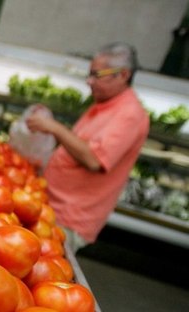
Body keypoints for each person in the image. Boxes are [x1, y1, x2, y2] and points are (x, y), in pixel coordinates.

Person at [26, 42, 149, 252]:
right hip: (52, 205)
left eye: (97, 75)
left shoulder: (129, 114)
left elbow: (94, 159)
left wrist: (55, 128)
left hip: (69, 216)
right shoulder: (103, 105)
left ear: (123, 75)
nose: (89, 82)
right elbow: (79, 146)